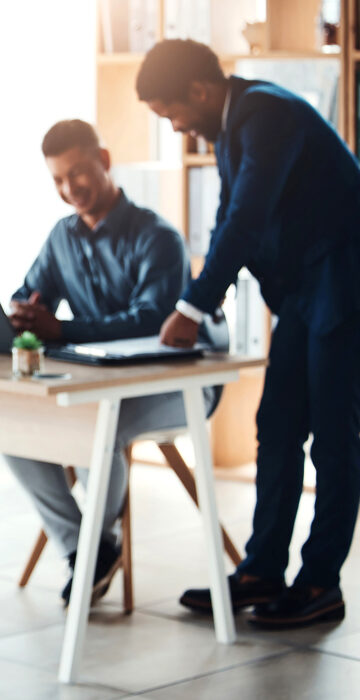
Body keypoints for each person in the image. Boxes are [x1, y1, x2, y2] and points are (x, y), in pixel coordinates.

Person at [138, 39, 360, 629]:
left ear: (201, 92)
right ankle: (261, 571)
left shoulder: (266, 113)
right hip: (304, 294)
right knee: (278, 427)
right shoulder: (234, 127)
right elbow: (227, 220)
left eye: (172, 114)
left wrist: (192, 307)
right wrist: (196, 299)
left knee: (336, 439)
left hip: (342, 285)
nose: (177, 128)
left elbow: (248, 217)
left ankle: (320, 583)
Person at [5, 119, 219, 607]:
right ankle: (87, 548)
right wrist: (23, 313)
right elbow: (30, 293)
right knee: (13, 425)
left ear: (104, 161)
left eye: (77, 173)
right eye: (57, 180)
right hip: (104, 384)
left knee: (107, 423)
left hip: (178, 386)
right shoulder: (62, 236)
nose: (68, 189)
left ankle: (89, 550)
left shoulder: (157, 237)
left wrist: (62, 329)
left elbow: (150, 323)